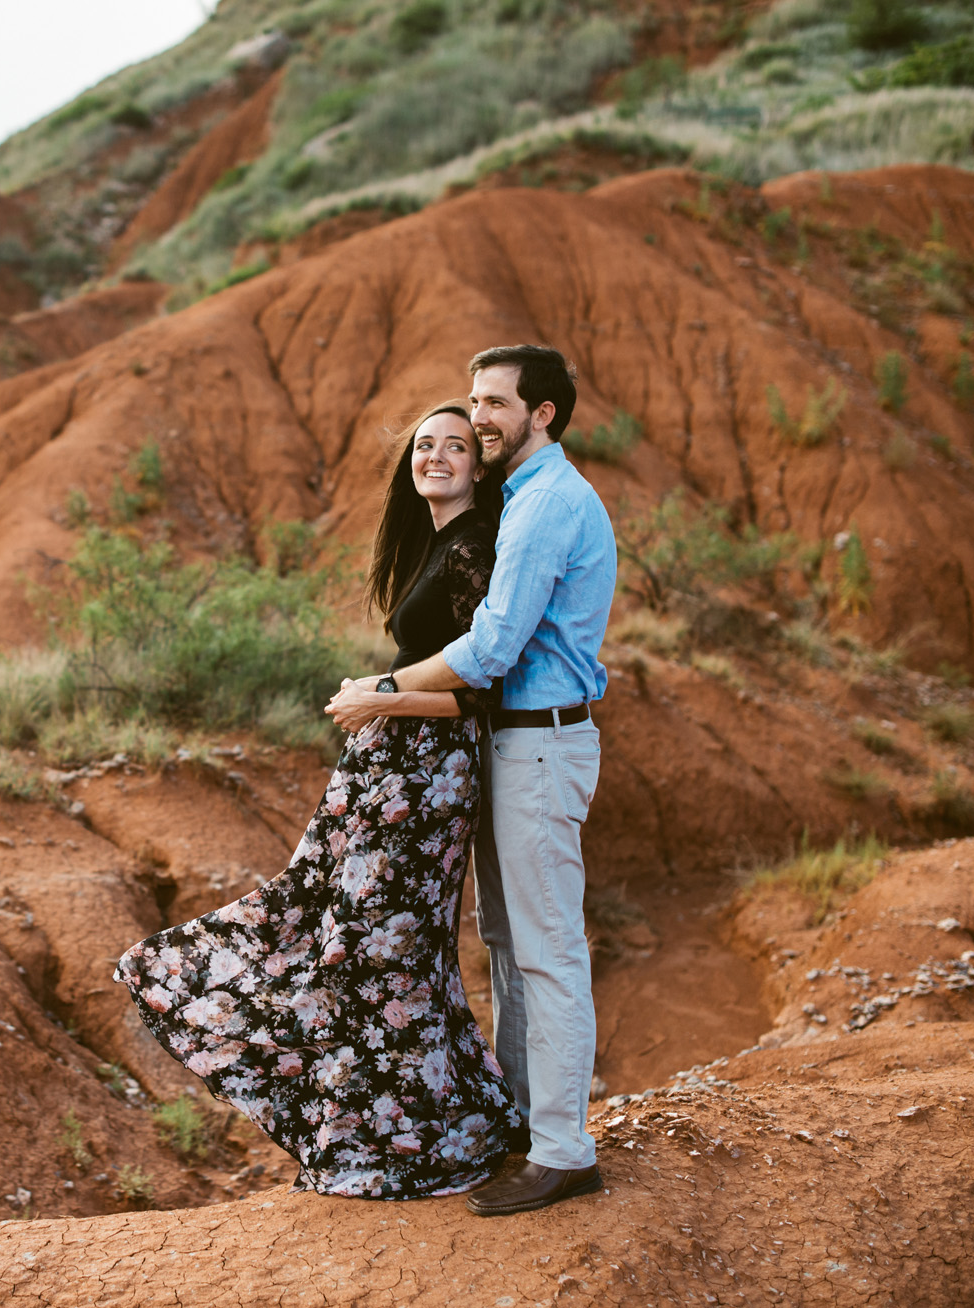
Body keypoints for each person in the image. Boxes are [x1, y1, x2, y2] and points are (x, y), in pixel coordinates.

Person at [114, 402, 520, 1199]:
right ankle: (433, 1130)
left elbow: (485, 691)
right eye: (424, 446)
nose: (435, 456)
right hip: (392, 771)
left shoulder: (476, 547)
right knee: (348, 939)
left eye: (456, 446)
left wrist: (382, 698)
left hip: (428, 780)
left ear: (480, 466)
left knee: (380, 954)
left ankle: (425, 1145)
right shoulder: (437, 545)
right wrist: (379, 708)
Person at [332, 344, 616, 1217]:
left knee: (548, 951)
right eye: (474, 399)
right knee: (509, 945)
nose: (479, 416)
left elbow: (492, 650)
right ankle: (530, 1125)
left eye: (494, 403)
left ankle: (565, 1151)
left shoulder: (544, 508)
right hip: (514, 746)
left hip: (538, 744)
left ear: (543, 415)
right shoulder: (523, 499)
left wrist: (381, 692)